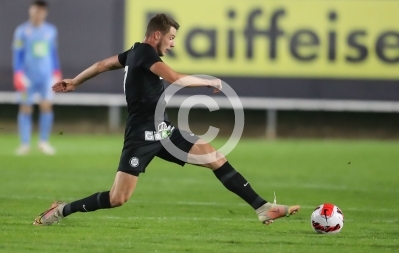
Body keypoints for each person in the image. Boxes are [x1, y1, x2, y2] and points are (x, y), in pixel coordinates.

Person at [33, 14, 299, 226]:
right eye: (171, 37)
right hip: (141, 135)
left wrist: (75, 81)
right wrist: (209, 81)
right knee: (118, 198)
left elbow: (103, 64)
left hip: (163, 130)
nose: (173, 43)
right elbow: (175, 79)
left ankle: (263, 208)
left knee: (214, 156)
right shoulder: (146, 53)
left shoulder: (134, 52)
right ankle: (61, 211)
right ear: (157, 35)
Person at [12, 0, 61, 155]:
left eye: (40, 11)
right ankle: (25, 143)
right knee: (26, 107)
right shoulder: (22, 31)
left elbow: (53, 53)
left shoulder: (51, 31)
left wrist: (56, 71)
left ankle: (43, 142)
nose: (37, 14)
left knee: (46, 105)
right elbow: (18, 54)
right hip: (28, 75)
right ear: (30, 11)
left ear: (44, 13)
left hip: (46, 76)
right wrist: (18, 73)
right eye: (35, 11)